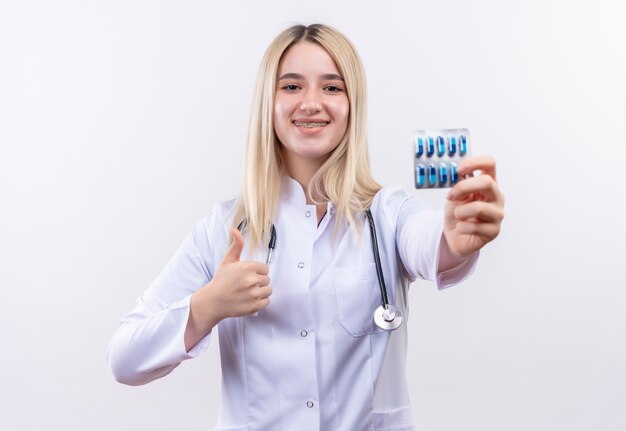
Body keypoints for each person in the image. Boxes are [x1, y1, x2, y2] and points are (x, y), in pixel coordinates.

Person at [106, 23, 505, 430]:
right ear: (269, 102)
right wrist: (208, 306)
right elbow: (124, 359)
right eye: (292, 87)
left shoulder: (387, 213)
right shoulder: (225, 229)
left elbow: (429, 241)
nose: (312, 103)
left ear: (353, 104)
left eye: (332, 87)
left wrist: (457, 236)